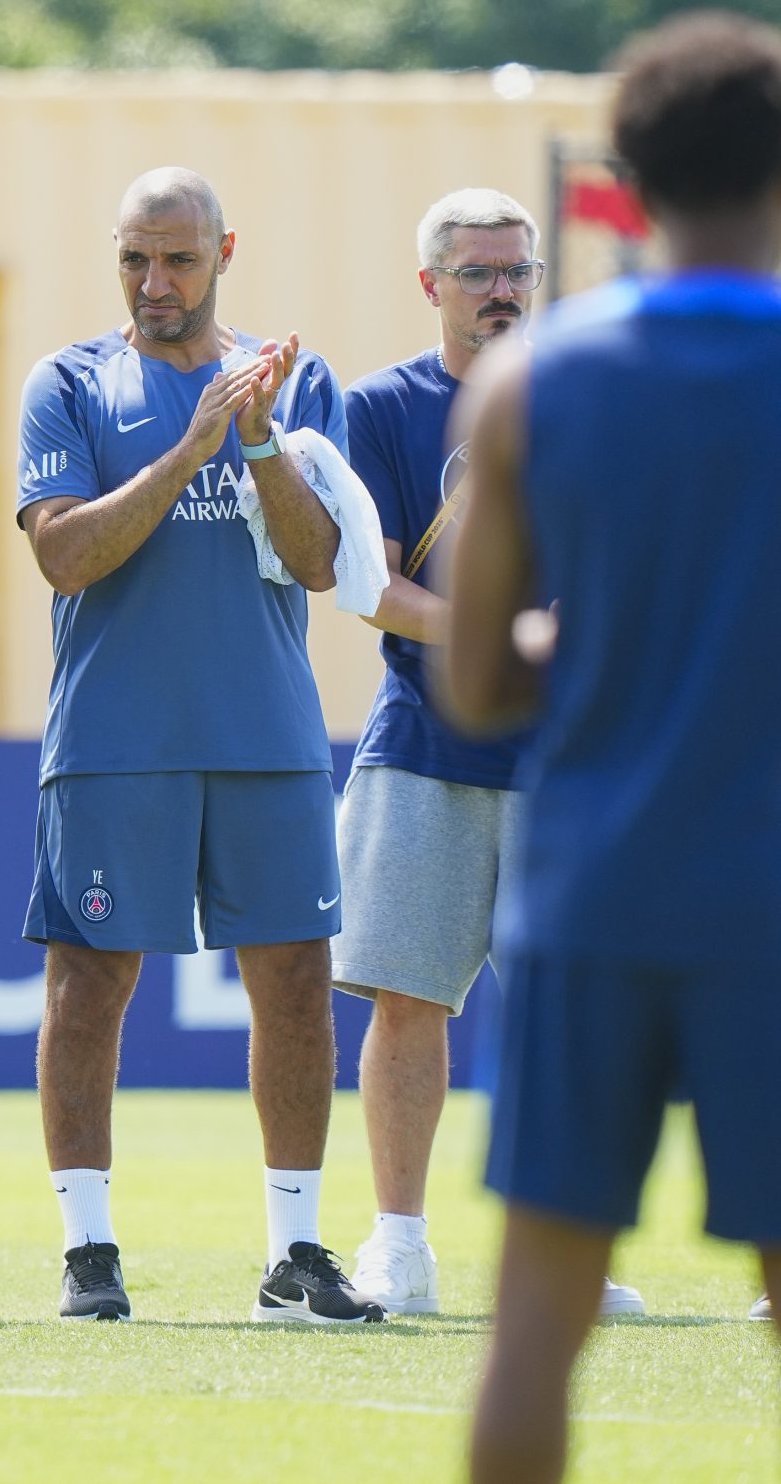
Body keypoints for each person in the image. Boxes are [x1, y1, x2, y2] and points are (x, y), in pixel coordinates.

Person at [447, 11, 781, 1484]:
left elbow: (471, 677)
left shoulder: (529, 382)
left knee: (537, 1321)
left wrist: (582, 647)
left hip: (590, 901)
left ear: (625, 180)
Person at [15, 167, 381, 1324]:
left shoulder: (294, 377)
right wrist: (191, 449)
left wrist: (259, 440)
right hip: (116, 737)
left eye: (176, 259)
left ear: (226, 251)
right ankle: (88, 1252)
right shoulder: (68, 381)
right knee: (87, 987)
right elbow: (64, 555)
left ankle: (294, 1256)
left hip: (266, 730)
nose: (153, 282)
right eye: (133, 258)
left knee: (295, 985)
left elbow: (323, 563)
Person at [331, 190, 642, 1321]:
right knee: (408, 1004)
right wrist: (505, 636)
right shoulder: (379, 407)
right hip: (424, 745)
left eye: (516, 270)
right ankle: (398, 1247)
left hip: (573, 757)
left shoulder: (591, 400)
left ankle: (567, 1255)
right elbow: (366, 585)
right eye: (475, 273)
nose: (502, 289)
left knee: (573, 1012)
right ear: (430, 287)